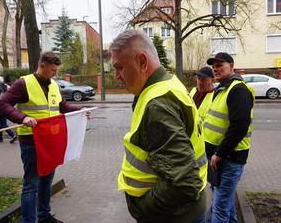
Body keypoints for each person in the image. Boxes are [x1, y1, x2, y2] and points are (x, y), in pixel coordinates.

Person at [109, 30, 208, 223]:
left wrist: (142, 210)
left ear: (142, 62)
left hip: (171, 216)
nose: (116, 76)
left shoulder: (158, 104)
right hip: (183, 212)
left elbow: (184, 183)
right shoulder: (169, 83)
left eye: (119, 67)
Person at [0, 52, 84, 223]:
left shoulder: (54, 85)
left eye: (56, 70)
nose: (55, 74)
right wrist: (22, 118)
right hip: (31, 142)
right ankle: (29, 221)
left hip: (50, 142)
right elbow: (2, 104)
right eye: (53, 70)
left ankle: (44, 216)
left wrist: (80, 110)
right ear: (42, 66)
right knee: (31, 185)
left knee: (47, 181)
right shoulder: (24, 83)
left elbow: (62, 106)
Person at [204, 52, 254, 223]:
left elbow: (239, 127)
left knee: (220, 208)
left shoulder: (238, 90)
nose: (216, 69)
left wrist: (219, 153)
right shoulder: (223, 88)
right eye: (214, 66)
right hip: (219, 158)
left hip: (229, 158)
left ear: (231, 66)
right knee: (226, 204)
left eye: (220, 65)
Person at [0, 76, 17, 143]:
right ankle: (0, 137)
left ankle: (13, 135)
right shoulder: (5, 86)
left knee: (2, 123)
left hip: (0, 107)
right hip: (5, 105)